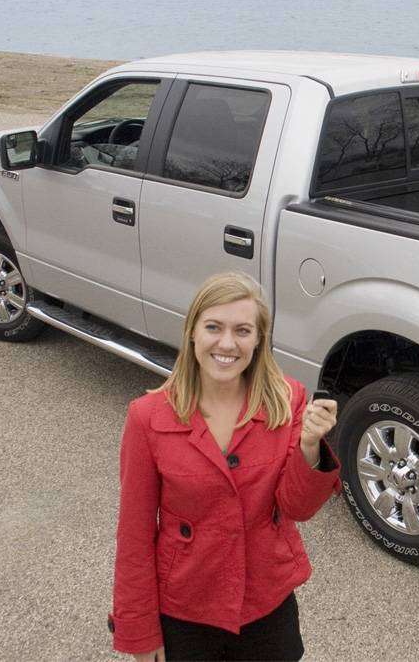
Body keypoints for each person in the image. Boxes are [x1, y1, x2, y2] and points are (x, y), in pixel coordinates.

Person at [109, 272, 341, 661]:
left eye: (243, 330)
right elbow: (134, 534)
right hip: (186, 609)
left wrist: (309, 447)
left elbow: (297, 508)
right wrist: (140, 632)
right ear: (192, 333)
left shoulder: (288, 400)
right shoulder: (147, 417)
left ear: (259, 339)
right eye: (214, 327)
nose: (227, 343)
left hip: (266, 606)